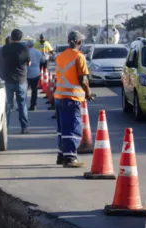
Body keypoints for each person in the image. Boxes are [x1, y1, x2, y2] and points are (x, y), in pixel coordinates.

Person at [54, 31, 95, 168]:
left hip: (59, 97)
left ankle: (62, 155)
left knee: (62, 128)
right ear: (80, 43)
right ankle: (70, 157)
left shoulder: (60, 56)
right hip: (71, 97)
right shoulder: (79, 57)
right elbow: (83, 79)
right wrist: (88, 93)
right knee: (72, 127)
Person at [1, 29, 31, 134]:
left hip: (8, 80)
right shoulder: (24, 48)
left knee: (8, 105)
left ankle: (6, 128)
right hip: (21, 80)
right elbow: (29, 63)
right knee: (22, 104)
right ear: (21, 37)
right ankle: (24, 127)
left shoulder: (5, 48)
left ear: (12, 37)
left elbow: (3, 59)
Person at [26, 39, 44, 111]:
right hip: (36, 72)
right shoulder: (38, 52)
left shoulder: (26, 52)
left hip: (27, 72)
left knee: (24, 91)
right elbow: (43, 60)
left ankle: (23, 105)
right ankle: (33, 105)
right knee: (34, 90)